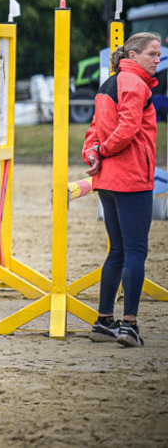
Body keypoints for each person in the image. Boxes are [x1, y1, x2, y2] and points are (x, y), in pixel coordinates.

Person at [83, 32, 162, 347]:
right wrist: (101, 151)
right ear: (133, 54)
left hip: (107, 182)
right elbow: (128, 128)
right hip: (131, 178)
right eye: (153, 54)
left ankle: (103, 322)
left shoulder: (108, 84)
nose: (158, 59)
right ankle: (129, 325)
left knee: (116, 250)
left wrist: (92, 152)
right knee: (135, 251)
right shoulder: (134, 84)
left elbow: (94, 128)